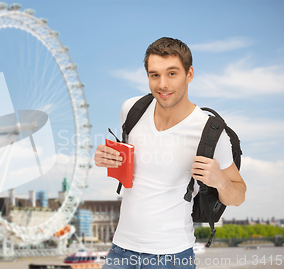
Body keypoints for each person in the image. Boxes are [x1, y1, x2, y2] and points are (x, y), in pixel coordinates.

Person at [94, 37, 247, 268]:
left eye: (172, 73)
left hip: (172, 257)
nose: (162, 84)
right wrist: (105, 158)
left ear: (190, 74)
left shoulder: (211, 133)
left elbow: (239, 195)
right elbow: (136, 167)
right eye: (154, 75)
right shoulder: (132, 110)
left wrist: (221, 181)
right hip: (120, 252)